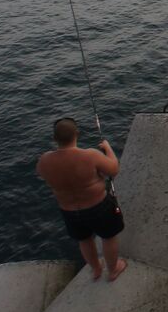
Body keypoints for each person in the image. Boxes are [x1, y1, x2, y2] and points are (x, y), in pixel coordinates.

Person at [37, 117, 127, 281]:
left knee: (84, 240)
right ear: (77, 134)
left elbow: (48, 176)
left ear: (54, 139)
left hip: (69, 212)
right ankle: (113, 270)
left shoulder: (44, 161)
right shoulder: (90, 155)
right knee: (108, 237)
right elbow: (114, 170)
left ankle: (96, 269)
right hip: (98, 207)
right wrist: (108, 149)